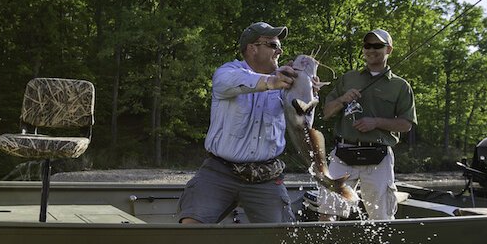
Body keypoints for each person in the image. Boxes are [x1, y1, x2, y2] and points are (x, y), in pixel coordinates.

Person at [178, 22, 300, 224]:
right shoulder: (226, 73)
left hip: (266, 177)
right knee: (191, 226)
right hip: (219, 172)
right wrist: (271, 82)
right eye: (273, 45)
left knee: (283, 241)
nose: (280, 50)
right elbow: (234, 80)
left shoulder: (286, 82)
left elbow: (301, 120)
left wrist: (306, 88)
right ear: (252, 48)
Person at [318, 29, 416, 221]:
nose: (371, 50)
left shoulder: (401, 86)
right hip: (342, 155)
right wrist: (343, 99)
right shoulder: (348, 78)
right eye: (367, 45)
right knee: (327, 212)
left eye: (377, 46)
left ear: (389, 50)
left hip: (379, 158)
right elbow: (327, 112)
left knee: (381, 217)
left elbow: (406, 125)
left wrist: (376, 122)